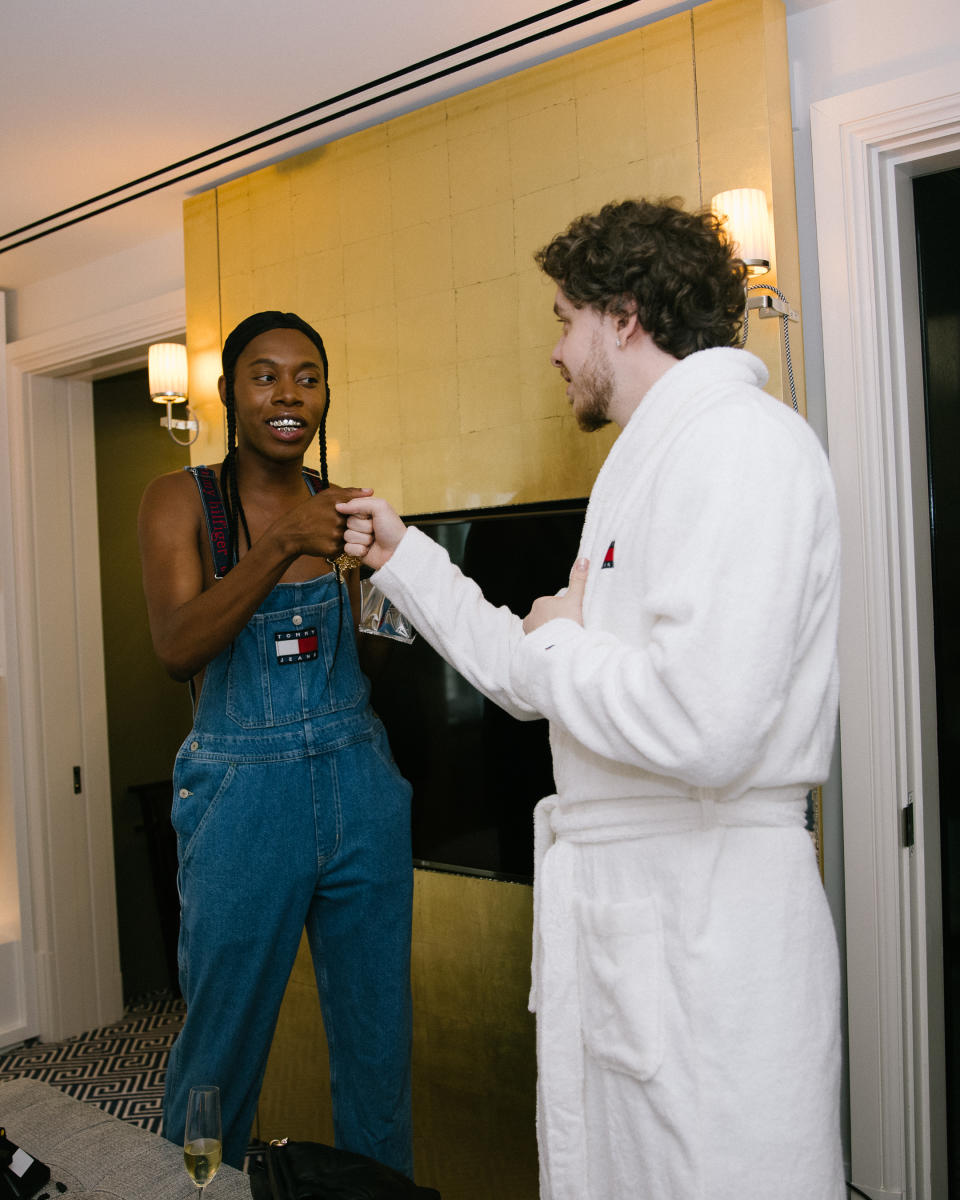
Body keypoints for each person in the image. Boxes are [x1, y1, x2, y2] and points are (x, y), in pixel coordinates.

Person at [338, 199, 845, 1199]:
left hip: (707, 926)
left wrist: (561, 636)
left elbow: (706, 723)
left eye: (564, 318)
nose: (556, 351)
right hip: (640, 919)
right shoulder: (647, 464)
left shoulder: (741, 447)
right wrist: (405, 559)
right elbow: (536, 676)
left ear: (625, 315)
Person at [138, 312, 414, 1174]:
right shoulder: (182, 500)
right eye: (265, 375)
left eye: (307, 376)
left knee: (377, 1053)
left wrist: (388, 580)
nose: (288, 394)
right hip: (240, 795)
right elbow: (178, 646)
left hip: (358, 781)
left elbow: (382, 658)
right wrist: (286, 542)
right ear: (229, 394)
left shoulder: (343, 506)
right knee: (219, 1051)